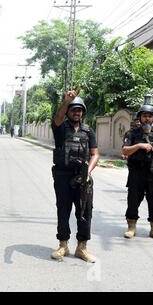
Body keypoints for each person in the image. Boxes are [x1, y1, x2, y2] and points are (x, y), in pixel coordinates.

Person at [50, 91, 99, 262]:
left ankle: (82, 248)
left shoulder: (88, 131)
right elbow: (57, 118)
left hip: (82, 177)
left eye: (79, 110)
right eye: (73, 110)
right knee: (63, 209)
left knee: (84, 211)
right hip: (63, 176)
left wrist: (88, 172)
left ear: (83, 112)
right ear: (68, 112)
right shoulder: (60, 128)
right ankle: (63, 245)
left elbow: (95, 154)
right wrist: (66, 102)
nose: (76, 113)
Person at [121, 99, 153, 242]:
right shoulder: (132, 133)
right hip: (136, 172)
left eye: (150, 115)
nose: (147, 118)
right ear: (140, 117)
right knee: (133, 200)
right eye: (145, 115)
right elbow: (125, 150)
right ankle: (131, 227)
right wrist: (140, 145)